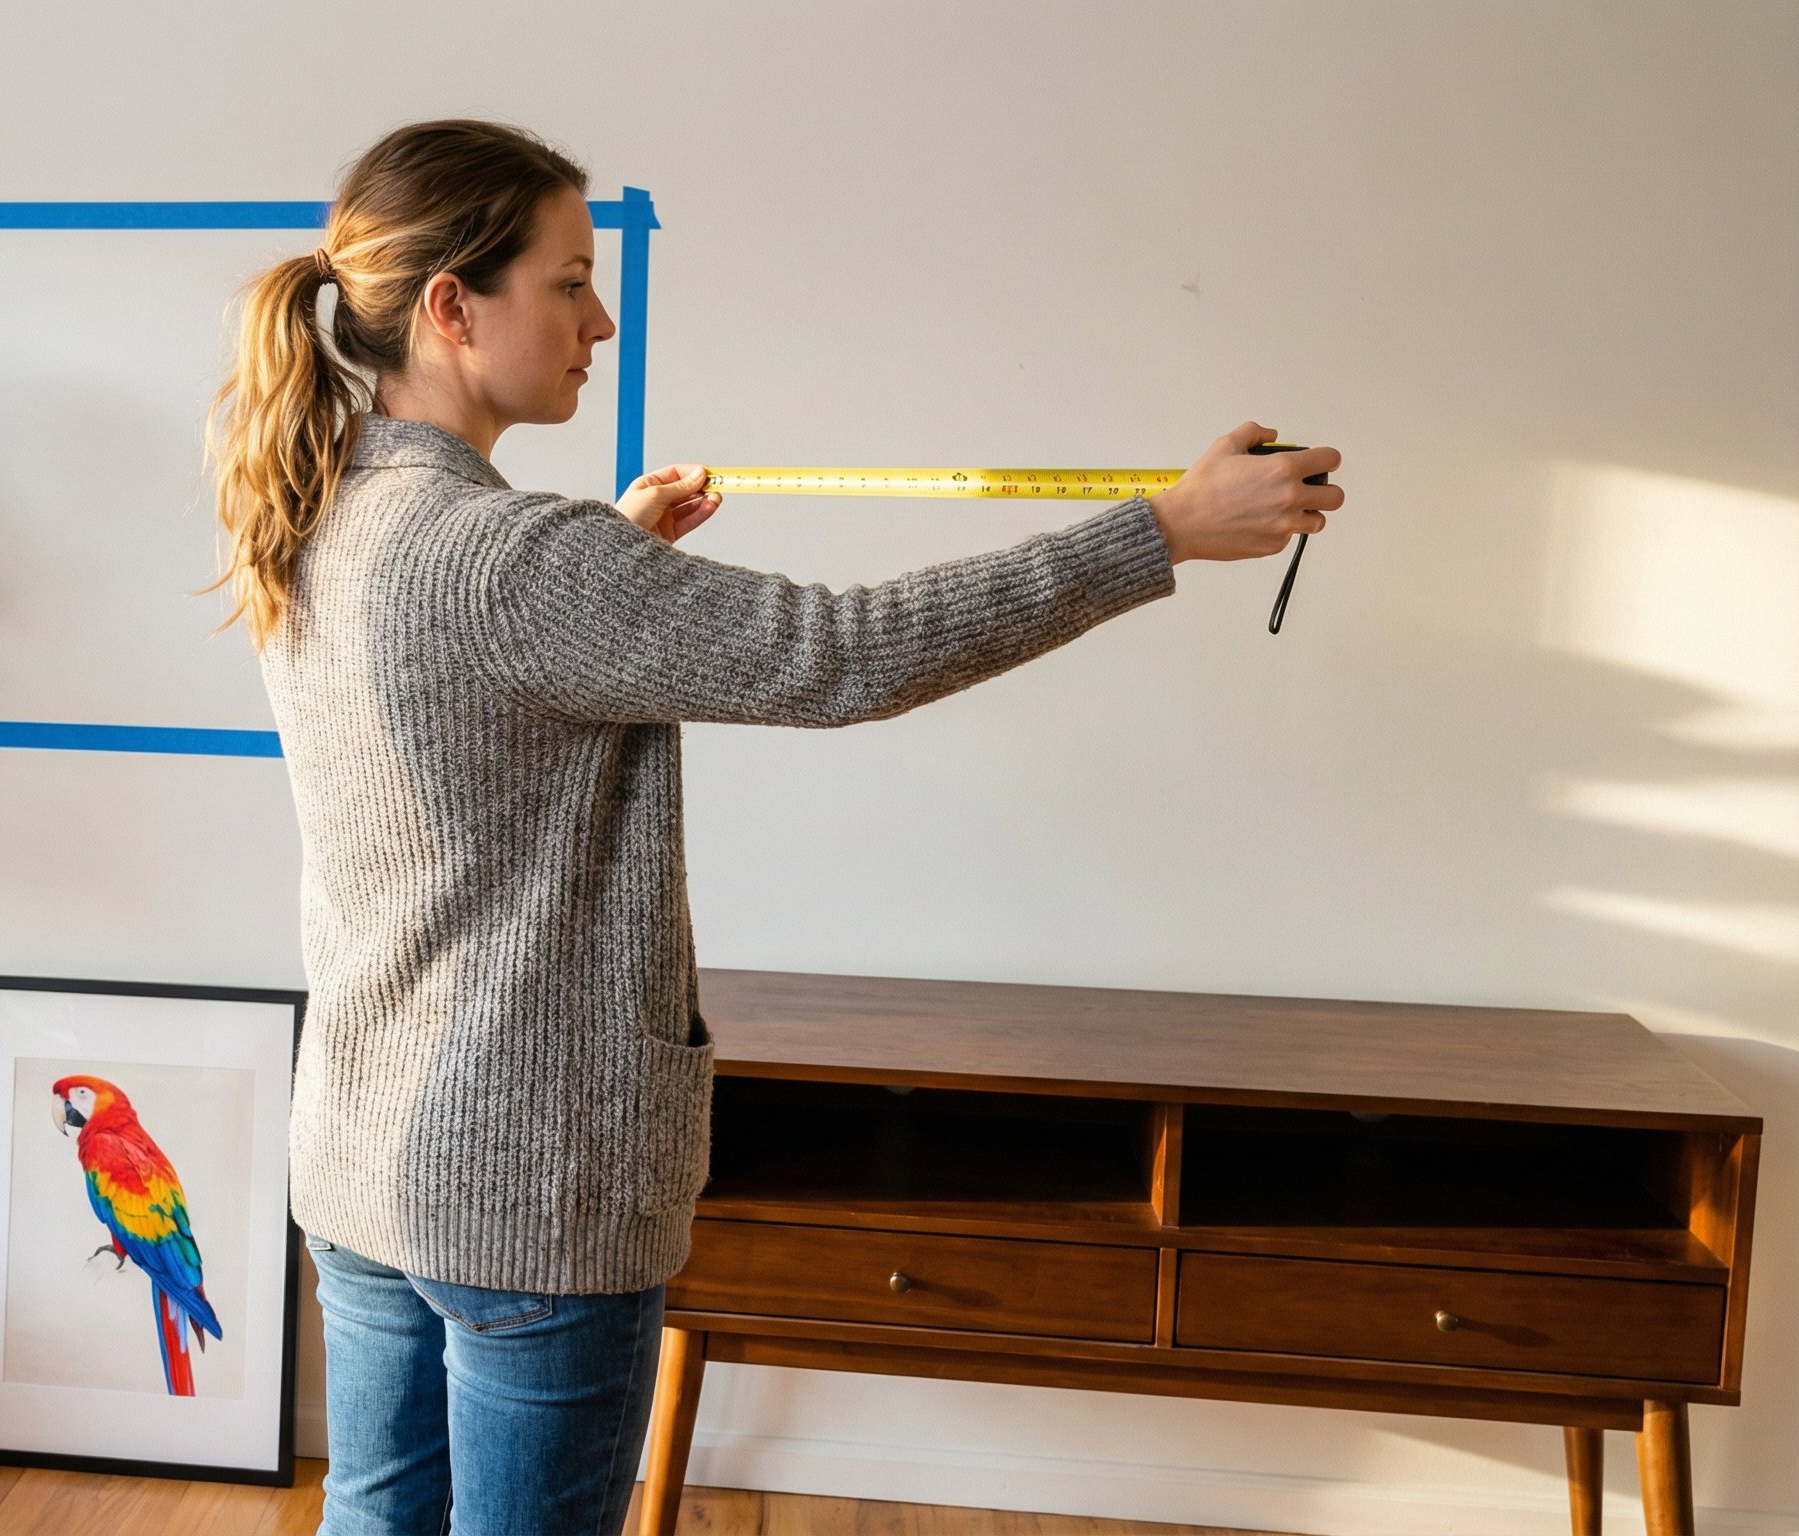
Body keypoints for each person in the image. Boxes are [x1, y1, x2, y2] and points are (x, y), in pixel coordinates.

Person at [209, 119, 1341, 1536]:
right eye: (568, 281)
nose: (601, 320)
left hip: (370, 1157)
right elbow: (847, 653)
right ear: (453, 305)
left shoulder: (321, 513)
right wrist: (1156, 530)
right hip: (529, 1186)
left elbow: (473, 718)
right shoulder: (516, 560)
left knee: (375, 1519)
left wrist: (617, 564)